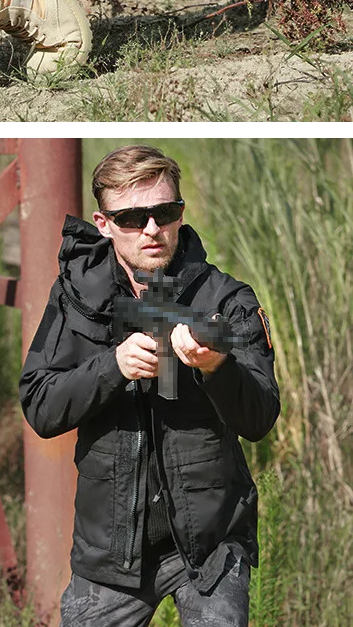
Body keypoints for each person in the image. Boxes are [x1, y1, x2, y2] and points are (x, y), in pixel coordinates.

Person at [19, 144, 280, 627]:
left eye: (165, 212)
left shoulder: (225, 298)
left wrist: (217, 367)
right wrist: (112, 367)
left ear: (181, 213)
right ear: (103, 223)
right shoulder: (76, 299)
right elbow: (39, 406)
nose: (152, 230)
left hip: (210, 546)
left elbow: (261, 417)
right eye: (133, 218)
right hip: (110, 553)